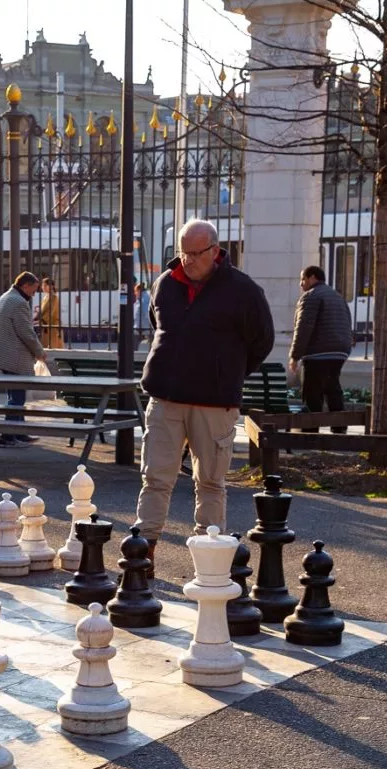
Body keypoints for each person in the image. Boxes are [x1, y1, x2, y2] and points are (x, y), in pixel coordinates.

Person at [135, 218, 274, 576]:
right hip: (166, 396)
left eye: (196, 254)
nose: (188, 261)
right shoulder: (165, 284)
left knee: (210, 481)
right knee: (155, 477)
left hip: (215, 402)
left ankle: (209, 557)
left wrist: (226, 373)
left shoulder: (243, 290)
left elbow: (262, 341)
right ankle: (143, 552)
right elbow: (159, 325)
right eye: (182, 253)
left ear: (215, 251)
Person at [288, 264, 354, 435]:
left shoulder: (311, 297)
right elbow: (347, 323)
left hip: (318, 352)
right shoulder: (337, 297)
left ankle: (311, 431)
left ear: (312, 278)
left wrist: (295, 356)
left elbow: (303, 328)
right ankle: (339, 428)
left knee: (312, 391)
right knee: (332, 388)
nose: (301, 284)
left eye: (302, 279)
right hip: (339, 351)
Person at [0, 270, 46, 449]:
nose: (34, 294)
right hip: (15, 357)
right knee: (17, 398)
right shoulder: (19, 302)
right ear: (25, 285)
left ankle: (19, 433)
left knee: (14, 396)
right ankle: (7, 437)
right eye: (34, 289)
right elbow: (26, 333)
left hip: (4, 355)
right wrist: (39, 351)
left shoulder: (5, 297)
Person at [38, 276, 64, 349]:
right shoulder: (46, 297)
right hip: (46, 326)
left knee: (54, 347)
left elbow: (51, 312)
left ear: (51, 286)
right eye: (43, 285)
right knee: (46, 347)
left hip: (53, 326)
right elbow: (42, 310)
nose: (43, 287)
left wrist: (41, 319)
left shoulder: (54, 297)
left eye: (45, 285)